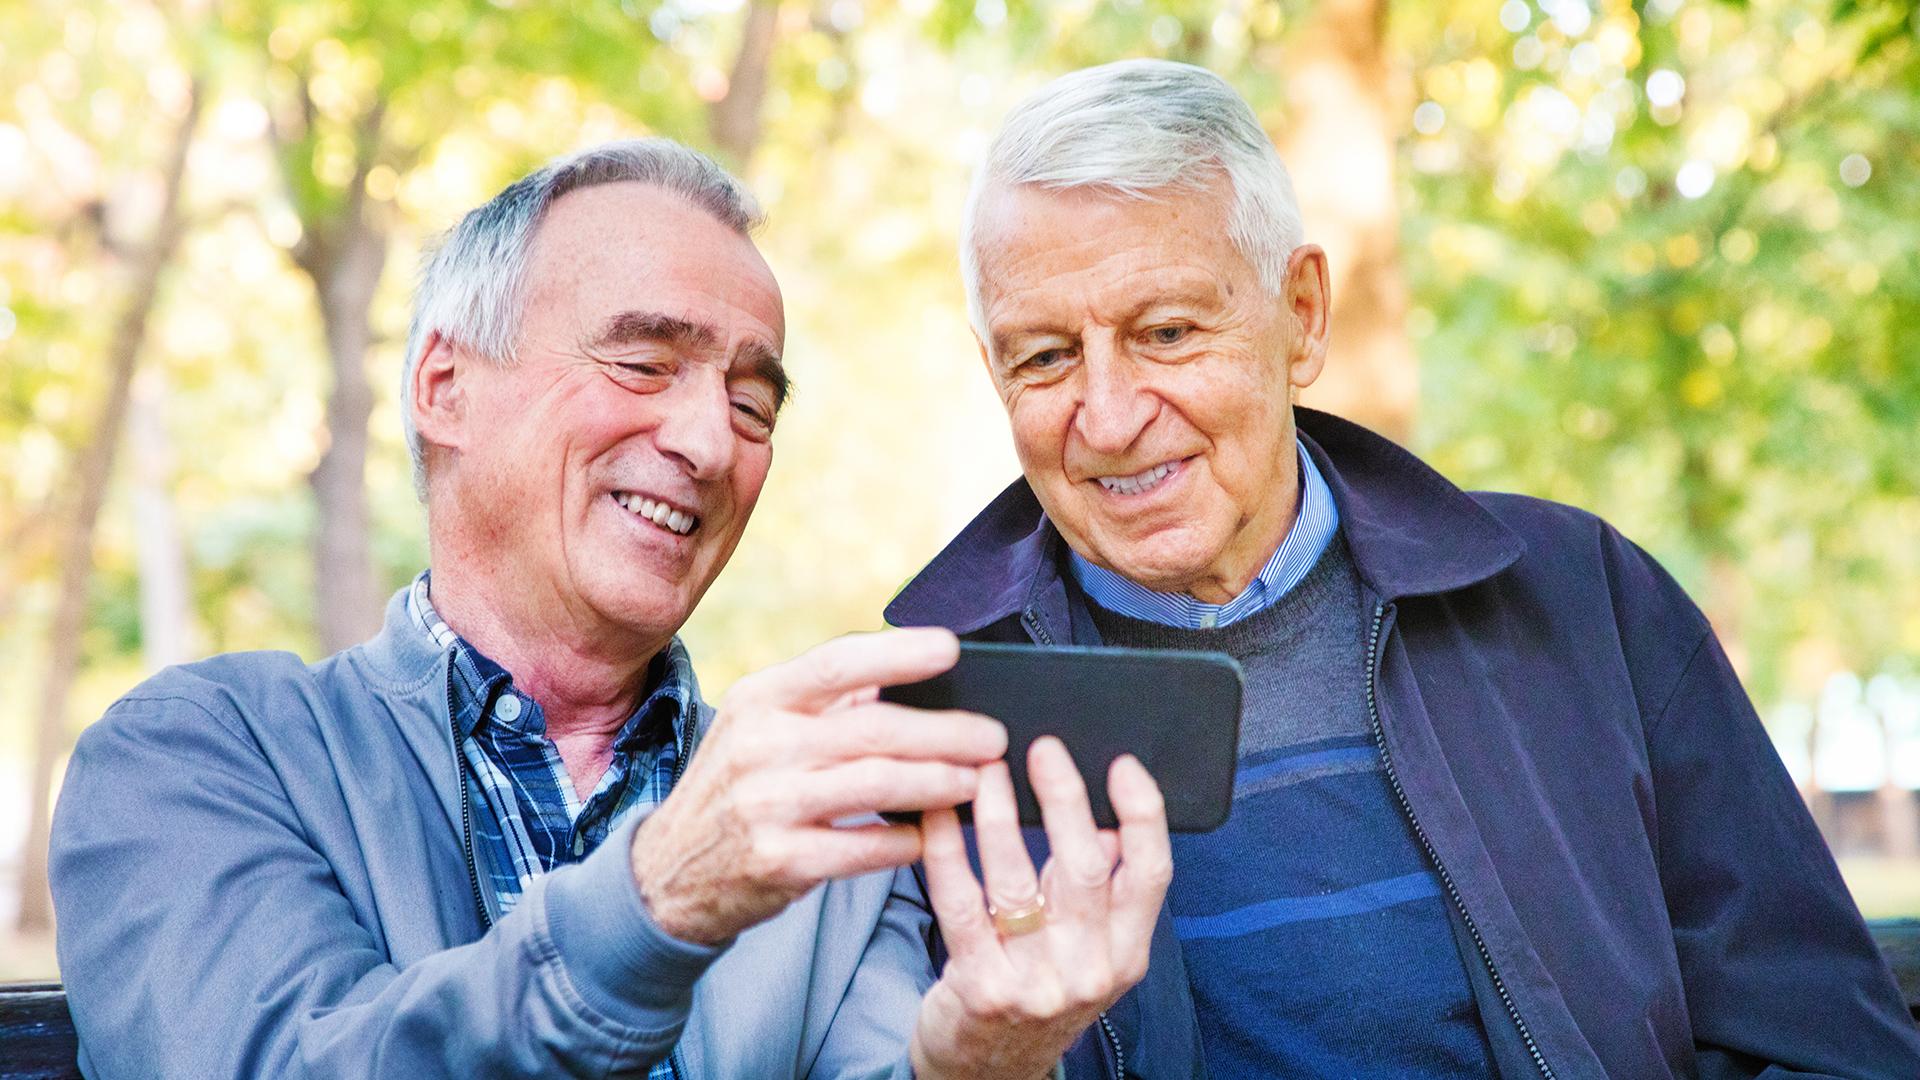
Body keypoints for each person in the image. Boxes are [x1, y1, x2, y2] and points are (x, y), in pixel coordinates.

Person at [885, 59, 1920, 1078]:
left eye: (1166, 332)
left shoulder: (1583, 602)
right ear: (995, 372)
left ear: (1302, 314)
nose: (1108, 417)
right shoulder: (922, 725)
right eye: (1045, 357)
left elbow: (1826, 1040)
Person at [49, 139, 1169, 1079]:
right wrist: (658, 900)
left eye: (750, 401)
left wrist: (974, 1061)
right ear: (446, 386)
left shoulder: (822, 824)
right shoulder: (201, 757)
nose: (707, 442)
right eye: (641, 363)